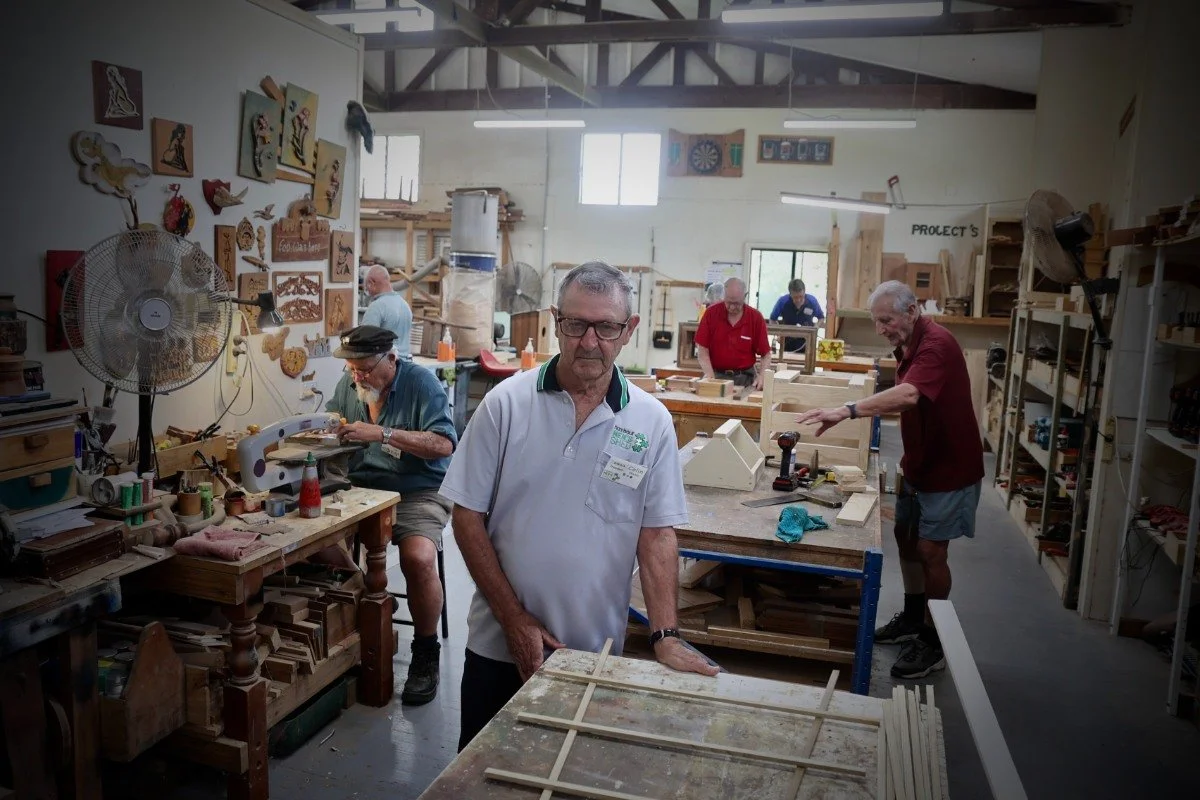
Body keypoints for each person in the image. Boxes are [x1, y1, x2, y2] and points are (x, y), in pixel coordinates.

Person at [439, 261, 719, 751]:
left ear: (628, 330)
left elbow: (656, 534)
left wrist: (665, 634)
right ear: (555, 321)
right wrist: (514, 620)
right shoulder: (506, 405)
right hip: (497, 646)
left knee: (573, 771)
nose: (590, 341)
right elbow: (466, 517)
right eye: (576, 325)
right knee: (481, 776)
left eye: (606, 326)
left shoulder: (651, 421)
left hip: (594, 650)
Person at [794, 281, 983, 680]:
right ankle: (914, 617)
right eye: (877, 321)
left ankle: (933, 641)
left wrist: (847, 410)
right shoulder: (908, 343)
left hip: (949, 468)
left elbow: (909, 395)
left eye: (887, 320)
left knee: (932, 551)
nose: (881, 329)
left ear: (912, 310)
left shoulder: (937, 344)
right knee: (905, 537)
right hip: (919, 463)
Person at [326, 325, 458, 704]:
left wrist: (382, 434)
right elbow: (335, 425)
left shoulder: (422, 384)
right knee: (315, 543)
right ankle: (368, 606)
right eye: (352, 369)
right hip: (361, 489)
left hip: (417, 490)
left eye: (365, 369)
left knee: (418, 559)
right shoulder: (349, 384)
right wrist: (327, 432)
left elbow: (444, 444)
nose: (358, 377)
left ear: (391, 359)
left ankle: (425, 650)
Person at [693, 276, 771, 390]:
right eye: (729, 302)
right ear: (724, 295)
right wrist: (710, 377)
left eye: (737, 303)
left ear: (745, 296)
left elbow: (766, 355)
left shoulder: (755, 318)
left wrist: (762, 376)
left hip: (745, 379)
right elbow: (702, 350)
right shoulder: (711, 314)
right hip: (716, 375)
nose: (732, 307)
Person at [360, 264, 413, 359]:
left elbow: (366, 342)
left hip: (385, 366)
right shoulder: (405, 304)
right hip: (405, 364)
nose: (367, 291)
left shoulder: (377, 306)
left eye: (366, 287)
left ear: (371, 283)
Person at [769, 278, 825, 353]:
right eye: (795, 297)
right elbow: (772, 319)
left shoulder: (812, 301)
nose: (798, 300)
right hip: (787, 340)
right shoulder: (783, 302)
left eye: (801, 296)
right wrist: (779, 334)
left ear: (804, 292)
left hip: (806, 341)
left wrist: (815, 328)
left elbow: (821, 318)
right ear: (790, 294)